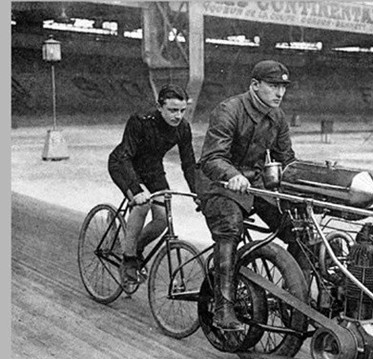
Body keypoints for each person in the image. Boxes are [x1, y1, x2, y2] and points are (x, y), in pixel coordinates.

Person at [196, 60, 296, 331]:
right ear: (254, 85)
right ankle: (223, 309)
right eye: (273, 86)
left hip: (253, 187)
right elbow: (211, 158)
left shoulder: (277, 117)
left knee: (297, 229)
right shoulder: (229, 110)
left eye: (283, 87)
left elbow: (287, 161)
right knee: (230, 227)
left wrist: (303, 185)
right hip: (218, 185)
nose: (279, 93)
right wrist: (232, 175)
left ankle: (297, 297)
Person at [108, 84, 196, 283]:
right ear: (159, 107)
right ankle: (129, 259)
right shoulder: (140, 121)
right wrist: (137, 190)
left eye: (182, 111)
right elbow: (125, 156)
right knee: (142, 205)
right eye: (172, 110)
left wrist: (198, 193)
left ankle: (135, 246)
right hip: (123, 164)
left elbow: (189, 164)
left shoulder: (183, 128)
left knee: (164, 219)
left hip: (152, 169)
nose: (178, 116)